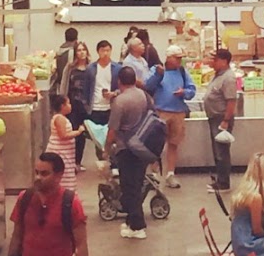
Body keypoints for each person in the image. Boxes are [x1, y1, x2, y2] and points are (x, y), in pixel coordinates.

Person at [106, 65, 151, 240]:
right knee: (136, 184)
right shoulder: (143, 95)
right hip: (143, 145)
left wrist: (106, 149)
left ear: (119, 81)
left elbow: (112, 130)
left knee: (129, 187)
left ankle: (138, 226)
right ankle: (131, 220)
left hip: (126, 148)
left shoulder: (120, 101)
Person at [144, 47, 195, 189]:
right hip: (160, 111)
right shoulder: (157, 69)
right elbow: (148, 86)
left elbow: (192, 90)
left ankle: (170, 174)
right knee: (156, 144)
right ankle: (154, 173)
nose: (179, 61)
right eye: (177, 58)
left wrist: (184, 92)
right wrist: (158, 75)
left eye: (180, 58)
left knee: (174, 143)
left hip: (178, 112)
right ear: (168, 57)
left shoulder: (183, 72)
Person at [200, 47, 240, 193]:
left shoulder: (228, 78)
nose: (213, 62)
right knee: (217, 151)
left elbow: (231, 101)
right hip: (214, 117)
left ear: (224, 61)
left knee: (221, 151)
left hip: (221, 118)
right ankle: (220, 179)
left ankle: (224, 183)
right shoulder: (218, 75)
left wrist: (226, 120)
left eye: (215, 60)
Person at [62, 40, 92, 166]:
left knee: (83, 133)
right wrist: (64, 100)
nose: (82, 52)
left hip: (86, 105)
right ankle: (72, 161)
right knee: (73, 132)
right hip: (73, 104)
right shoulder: (70, 68)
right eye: (79, 50)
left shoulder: (91, 68)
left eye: (83, 50)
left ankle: (78, 161)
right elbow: (64, 84)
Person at [82, 40, 118, 145]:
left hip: (110, 108)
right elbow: (86, 89)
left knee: (111, 137)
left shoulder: (117, 68)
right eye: (103, 50)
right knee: (97, 139)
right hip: (95, 108)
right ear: (98, 52)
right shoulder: (90, 68)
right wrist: (86, 105)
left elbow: (121, 87)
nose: (105, 53)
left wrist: (114, 93)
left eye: (108, 50)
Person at [44, 95, 82, 193]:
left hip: (65, 153)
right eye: (68, 103)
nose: (70, 106)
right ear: (62, 106)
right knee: (63, 176)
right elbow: (63, 135)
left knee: (67, 174)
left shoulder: (62, 118)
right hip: (60, 153)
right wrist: (78, 132)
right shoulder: (59, 118)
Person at [51, 27, 80, 96]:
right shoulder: (72, 51)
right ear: (76, 38)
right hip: (69, 86)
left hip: (59, 84)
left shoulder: (59, 51)